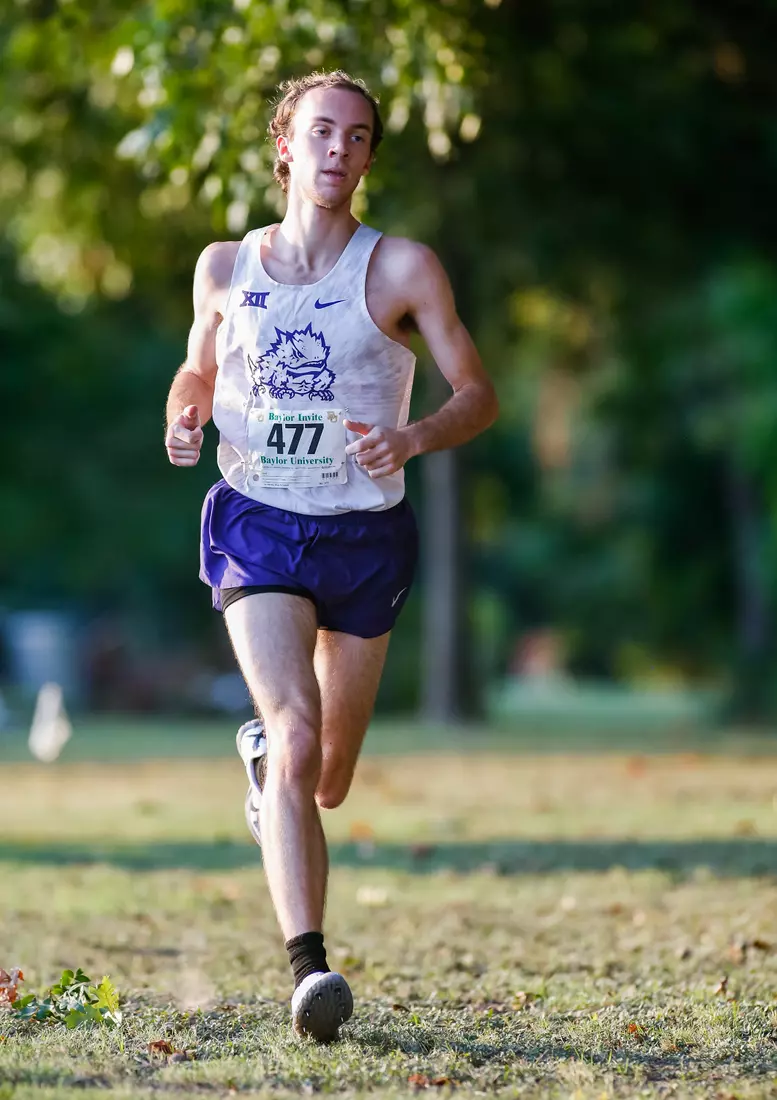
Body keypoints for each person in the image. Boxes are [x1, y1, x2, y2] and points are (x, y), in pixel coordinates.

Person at [164, 70, 498, 1042]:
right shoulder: (226, 265)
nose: (339, 149)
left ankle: (272, 767)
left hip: (364, 531)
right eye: (322, 131)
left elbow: (477, 392)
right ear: (285, 145)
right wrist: (187, 404)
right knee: (297, 727)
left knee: (328, 776)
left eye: (358, 137)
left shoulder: (402, 269)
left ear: (367, 158)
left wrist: (415, 437)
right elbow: (198, 361)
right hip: (258, 517)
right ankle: (310, 966)